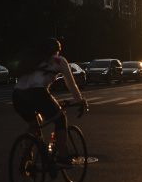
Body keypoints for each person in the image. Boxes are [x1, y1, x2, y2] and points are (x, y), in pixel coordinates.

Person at [12, 37, 87, 168]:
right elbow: (71, 84)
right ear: (56, 51)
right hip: (37, 93)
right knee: (60, 119)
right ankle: (62, 158)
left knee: (34, 123)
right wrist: (80, 100)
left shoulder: (34, 60)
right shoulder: (59, 60)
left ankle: (26, 154)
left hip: (17, 94)